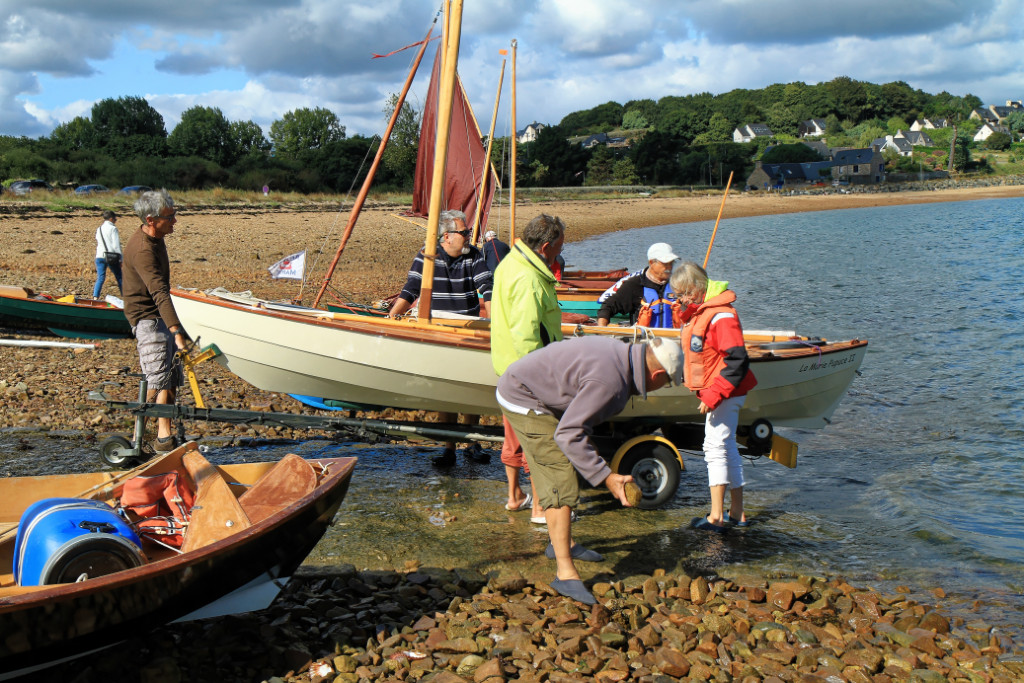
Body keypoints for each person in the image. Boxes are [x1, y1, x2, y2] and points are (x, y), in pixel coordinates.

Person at [497, 335, 684, 604]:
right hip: (522, 395)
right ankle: (565, 574)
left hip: (537, 389)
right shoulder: (610, 381)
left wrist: (595, 467)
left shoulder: (622, 358)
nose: (663, 387)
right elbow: (569, 434)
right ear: (656, 375)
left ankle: (561, 543)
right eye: (667, 382)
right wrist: (607, 477)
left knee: (571, 461)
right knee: (560, 474)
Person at [389, 209, 493, 466]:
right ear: (446, 236)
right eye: (464, 232)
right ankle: (449, 449)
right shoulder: (427, 254)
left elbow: (487, 288)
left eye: (468, 231)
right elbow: (411, 289)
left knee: (471, 389)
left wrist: (495, 323)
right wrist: (391, 319)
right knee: (446, 390)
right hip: (438, 332)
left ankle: (471, 444)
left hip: (469, 328)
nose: (469, 236)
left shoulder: (474, 255)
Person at [670, 262, 758, 534]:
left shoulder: (721, 316)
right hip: (722, 390)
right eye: (677, 296)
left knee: (714, 447)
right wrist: (682, 311)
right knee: (727, 446)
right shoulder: (705, 311)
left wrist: (713, 394)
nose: (681, 300)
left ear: (696, 289)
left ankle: (717, 517)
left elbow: (737, 360)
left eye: (683, 294)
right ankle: (737, 512)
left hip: (724, 390)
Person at [490, 214, 565, 520]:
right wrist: (544, 384)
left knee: (513, 437)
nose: (560, 254)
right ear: (545, 246)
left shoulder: (510, 263)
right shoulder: (530, 279)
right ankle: (540, 508)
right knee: (540, 443)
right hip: (528, 377)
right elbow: (526, 338)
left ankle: (514, 496)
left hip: (509, 371)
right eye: (558, 248)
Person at [122, 189, 189, 453]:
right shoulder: (142, 250)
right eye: (170, 216)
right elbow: (158, 291)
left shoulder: (157, 237)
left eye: (174, 215)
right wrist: (177, 331)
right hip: (147, 318)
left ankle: (164, 437)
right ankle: (134, 440)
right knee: (157, 378)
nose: (175, 220)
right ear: (151, 219)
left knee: (171, 378)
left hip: (159, 314)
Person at [596, 242, 679, 327]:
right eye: (665, 264)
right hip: (644, 339)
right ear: (651, 263)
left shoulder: (678, 285)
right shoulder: (634, 285)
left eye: (671, 263)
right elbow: (608, 307)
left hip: (675, 338)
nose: (669, 267)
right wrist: (602, 329)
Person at [92, 210, 123, 298]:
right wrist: (121, 259)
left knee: (100, 278)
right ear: (111, 219)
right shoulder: (113, 229)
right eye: (115, 219)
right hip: (111, 256)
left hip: (99, 256)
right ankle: (125, 298)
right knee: (119, 277)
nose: (116, 220)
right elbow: (116, 245)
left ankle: (95, 297)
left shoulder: (99, 229)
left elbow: (98, 240)